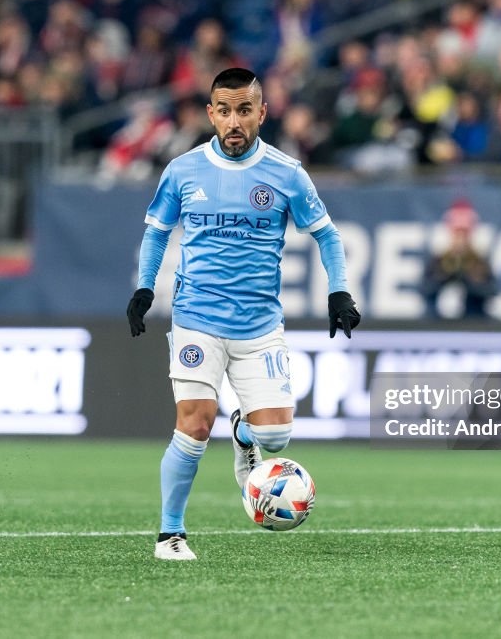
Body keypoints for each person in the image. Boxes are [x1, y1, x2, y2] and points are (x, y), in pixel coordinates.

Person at [126, 67, 361, 561]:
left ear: (262, 113)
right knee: (193, 423)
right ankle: (171, 534)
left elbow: (327, 234)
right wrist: (145, 290)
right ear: (211, 114)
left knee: (275, 436)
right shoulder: (184, 171)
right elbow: (155, 232)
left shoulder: (286, 172)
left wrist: (339, 292)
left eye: (245, 110)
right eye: (225, 111)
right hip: (196, 318)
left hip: (259, 326)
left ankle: (244, 433)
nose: (235, 121)